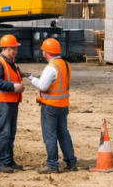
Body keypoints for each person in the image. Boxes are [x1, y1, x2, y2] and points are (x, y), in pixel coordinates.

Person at [27, 38, 77, 173]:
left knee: (50, 135)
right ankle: (71, 162)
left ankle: (52, 164)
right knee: (63, 134)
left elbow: (43, 85)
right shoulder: (66, 65)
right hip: (63, 105)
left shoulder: (51, 67)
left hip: (50, 107)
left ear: (46, 52)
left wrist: (31, 78)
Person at [0, 34, 25, 174]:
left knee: (10, 133)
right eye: (14, 48)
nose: (16, 51)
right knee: (4, 132)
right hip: (1, 102)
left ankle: (8, 160)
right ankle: (0, 162)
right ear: (7, 48)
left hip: (11, 102)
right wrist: (14, 87)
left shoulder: (11, 63)